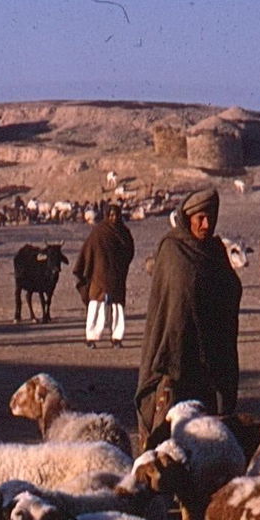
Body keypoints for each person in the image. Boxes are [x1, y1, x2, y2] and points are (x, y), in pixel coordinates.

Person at [134, 187, 243, 450]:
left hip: (212, 357)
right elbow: (173, 305)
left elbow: (230, 289)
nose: (206, 225)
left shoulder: (215, 252)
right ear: (188, 218)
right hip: (176, 355)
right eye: (200, 219)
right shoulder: (173, 250)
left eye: (210, 218)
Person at [72, 203, 134, 348]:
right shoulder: (98, 232)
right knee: (96, 306)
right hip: (98, 276)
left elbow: (129, 251)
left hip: (117, 276)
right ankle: (91, 337)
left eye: (116, 215)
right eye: (111, 215)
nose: (114, 218)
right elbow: (88, 251)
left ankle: (117, 337)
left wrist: (120, 265)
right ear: (106, 215)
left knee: (117, 307)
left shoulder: (124, 232)